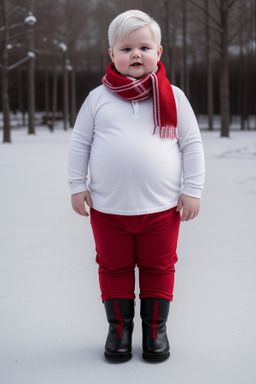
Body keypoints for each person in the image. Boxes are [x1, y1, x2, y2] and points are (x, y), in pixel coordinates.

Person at [67, 9, 205, 363]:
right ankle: (119, 330)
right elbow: (80, 144)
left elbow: (191, 145)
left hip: (161, 209)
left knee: (160, 267)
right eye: (126, 48)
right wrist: (76, 185)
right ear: (112, 56)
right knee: (113, 267)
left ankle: (155, 330)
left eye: (144, 47)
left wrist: (193, 189)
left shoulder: (173, 96)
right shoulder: (98, 99)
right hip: (108, 208)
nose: (136, 54)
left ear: (158, 53)